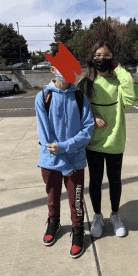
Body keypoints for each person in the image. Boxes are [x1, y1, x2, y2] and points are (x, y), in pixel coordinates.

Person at [77, 40, 138, 238]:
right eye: (97, 56)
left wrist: (119, 70)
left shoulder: (119, 82)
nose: (101, 59)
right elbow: (78, 109)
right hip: (94, 143)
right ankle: (97, 215)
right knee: (95, 181)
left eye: (106, 56)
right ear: (91, 59)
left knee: (114, 181)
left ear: (113, 60)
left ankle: (115, 214)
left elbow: (132, 98)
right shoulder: (85, 83)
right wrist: (93, 117)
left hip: (115, 141)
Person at [35, 50, 95, 258]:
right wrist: (63, 164)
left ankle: (78, 231)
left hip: (76, 161)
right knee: (52, 197)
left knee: (76, 200)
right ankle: (54, 223)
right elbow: (45, 138)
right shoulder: (43, 97)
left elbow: (87, 130)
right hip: (51, 162)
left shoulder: (80, 97)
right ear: (53, 69)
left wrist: (66, 148)